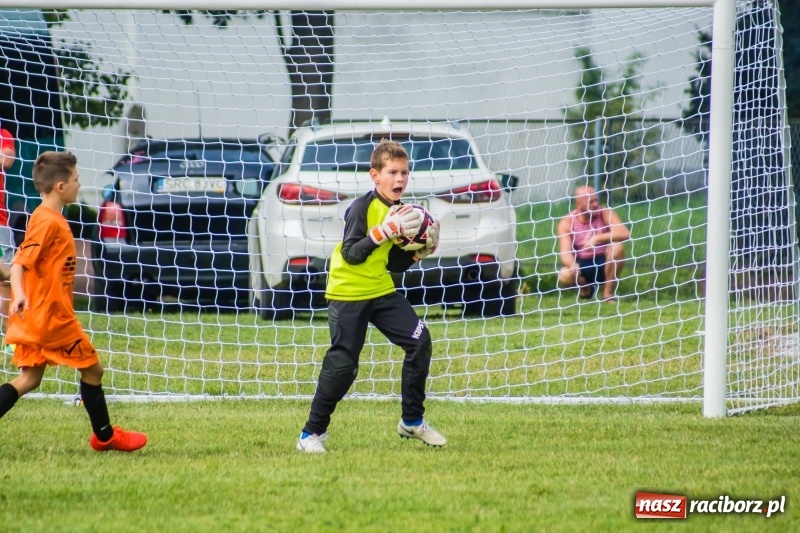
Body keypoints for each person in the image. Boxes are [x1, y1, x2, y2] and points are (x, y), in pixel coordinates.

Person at [297, 139, 446, 453]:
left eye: (404, 172)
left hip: (380, 290)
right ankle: (310, 434)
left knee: (419, 342)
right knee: (343, 367)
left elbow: (392, 264)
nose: (400, 178)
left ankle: (412, 421)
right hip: (348, 292)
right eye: (392, 172)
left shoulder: (401, 212)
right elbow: (352, 254)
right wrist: (384, 231)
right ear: (375, 176)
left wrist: (418, 253)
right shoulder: (361, 207)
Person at [0, 151, 147, 452]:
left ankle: (104, 436)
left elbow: (21, 265)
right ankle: (105, 437)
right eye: (76, 179)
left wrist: (18, 287)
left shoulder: (48, 218)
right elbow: (20, 263)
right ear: (60, 187)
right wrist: (20, 292)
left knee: (29, 380)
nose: (80, 184)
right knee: (93, 370)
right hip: (52, 319)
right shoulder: (47, 222)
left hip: (36, 318)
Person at [557, 185, 630, 303]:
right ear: (579, 204)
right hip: (582, 265)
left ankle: (608, 294)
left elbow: (624, 233)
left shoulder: (605, 213)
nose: (596, 204)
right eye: (591, 202)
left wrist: (597, 238)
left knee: (617, 247)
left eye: (596, 200)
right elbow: (565, 251)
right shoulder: (567, 221)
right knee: (564, 274)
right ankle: (586, 288)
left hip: (604, 262)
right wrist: (572, 264)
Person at [0, 123, 16, 342]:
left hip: (0, 222)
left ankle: (9, 336)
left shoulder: (3, 134)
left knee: (6, 278)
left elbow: (7, 159)